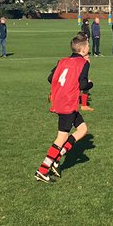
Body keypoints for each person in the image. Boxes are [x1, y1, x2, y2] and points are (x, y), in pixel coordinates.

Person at [34, 32, 93, 183]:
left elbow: (50, 78)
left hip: (62, 101)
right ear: (83, 49)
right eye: (87, 46)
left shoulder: (62, 61)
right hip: (68, 103)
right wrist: (90, 83)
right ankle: (42, 169)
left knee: (83, 130)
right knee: (62, 137)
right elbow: (83, 85)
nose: (88, 48)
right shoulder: (83, 63)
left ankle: (56, 159)